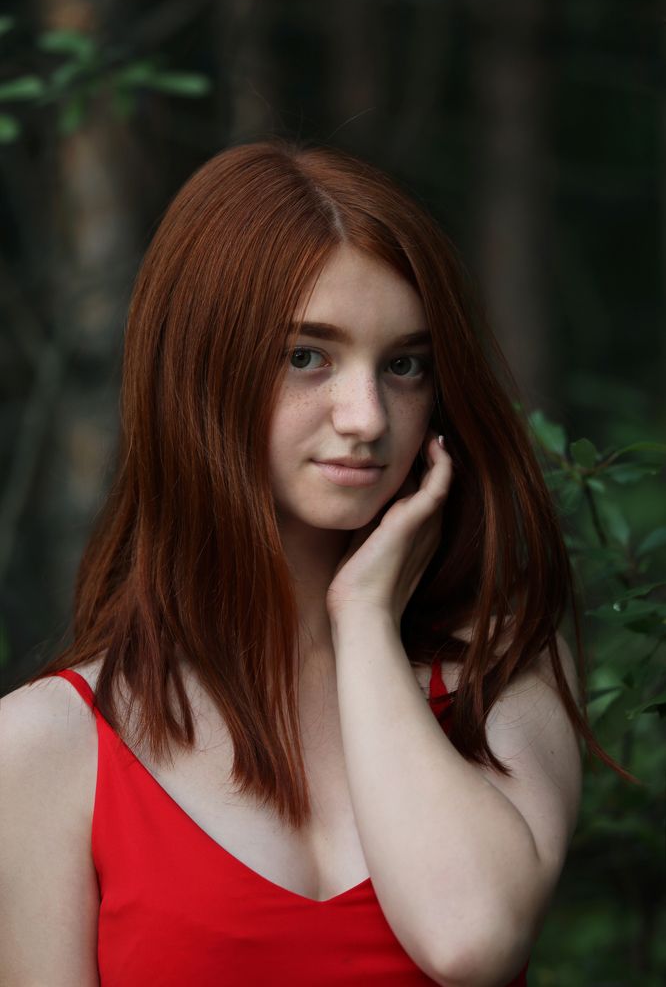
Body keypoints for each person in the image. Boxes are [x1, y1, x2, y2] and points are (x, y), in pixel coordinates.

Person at [0, 138, 632, 986]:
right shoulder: (44, 747)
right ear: (198, 372)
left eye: (404, 365)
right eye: (307, 356)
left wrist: (364, 619)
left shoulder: (502, 667)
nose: (366, 416)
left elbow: (470, 940)